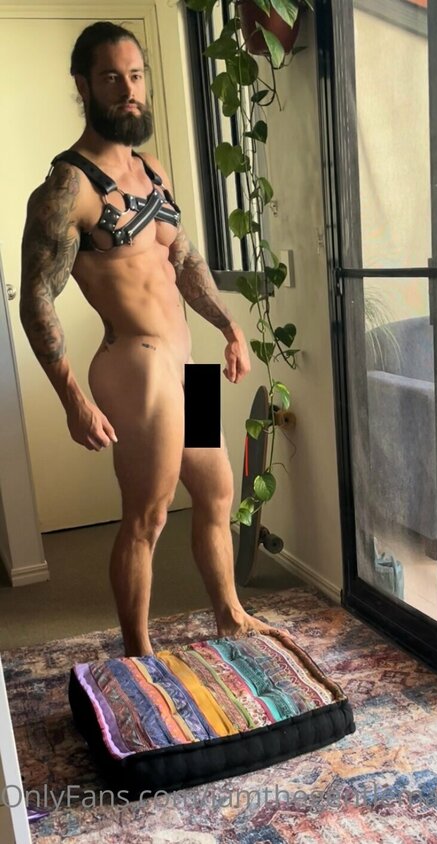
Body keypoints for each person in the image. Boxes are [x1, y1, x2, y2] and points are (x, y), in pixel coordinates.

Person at [20, 22, 294, 656]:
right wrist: (73, 399)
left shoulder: (152, 170)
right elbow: (37, 298)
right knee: (148, 514)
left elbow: (185, 260)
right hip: (136, 363)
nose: (129, 89)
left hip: (186, 363)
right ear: (84, 86)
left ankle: (231, 615)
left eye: (136, 75)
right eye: (112, 77)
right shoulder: (68, 188)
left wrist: (229, 326)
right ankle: (139, 652)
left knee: (218, 492)